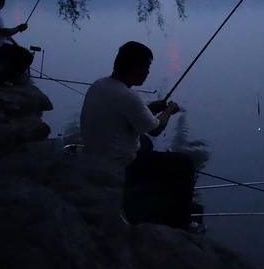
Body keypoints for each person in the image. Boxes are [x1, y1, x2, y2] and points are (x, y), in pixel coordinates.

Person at [80, 41, 202, 232]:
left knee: (144, 142)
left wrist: (153, 107)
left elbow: (131, 113)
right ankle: (182, 221)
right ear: (134, 68)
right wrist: (170, 109)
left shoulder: (100, 84)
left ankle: (154, 193)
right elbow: (156, 129)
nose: (147, 73)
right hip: (118, 165)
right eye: (146, 68)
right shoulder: (128, 97)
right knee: (185, 164)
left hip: (94, 154)